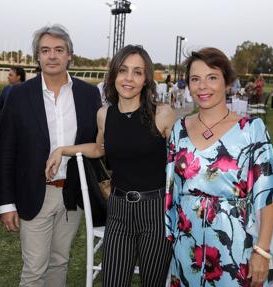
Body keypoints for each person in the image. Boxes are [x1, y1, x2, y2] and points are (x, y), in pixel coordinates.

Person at [45, 45, 176, 287]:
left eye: (137, 72)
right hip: (118, 211)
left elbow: (183, 161)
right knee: (112, 281)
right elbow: (99, 148)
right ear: (114, 74)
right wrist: (63, 150)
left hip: (156, 212)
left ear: (146, 79)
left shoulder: (163, 115)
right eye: (123, 70)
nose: (129, 78)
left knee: (152, 283)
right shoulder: (104, 115)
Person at [165, 47, 273, 287]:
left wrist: (262, 251)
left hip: (234, 246)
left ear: (227, 82)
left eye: (212, 78)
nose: (202, 86)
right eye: (195, 79)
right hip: (186, 245)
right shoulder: (178, 130)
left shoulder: (251, 130)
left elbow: (268, 195)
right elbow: (171, 191)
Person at [0, 24, 101, 287]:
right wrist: (6, 203)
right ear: (37, 57)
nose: (52, 56)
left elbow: (97, 145)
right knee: (34, 270)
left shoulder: (89, 94)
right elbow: (6, 151)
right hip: (34, 193)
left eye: (58, 50)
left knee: (60, 262)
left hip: (73, 195)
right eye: (45, 50)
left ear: (69, 55)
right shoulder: (18, 95)